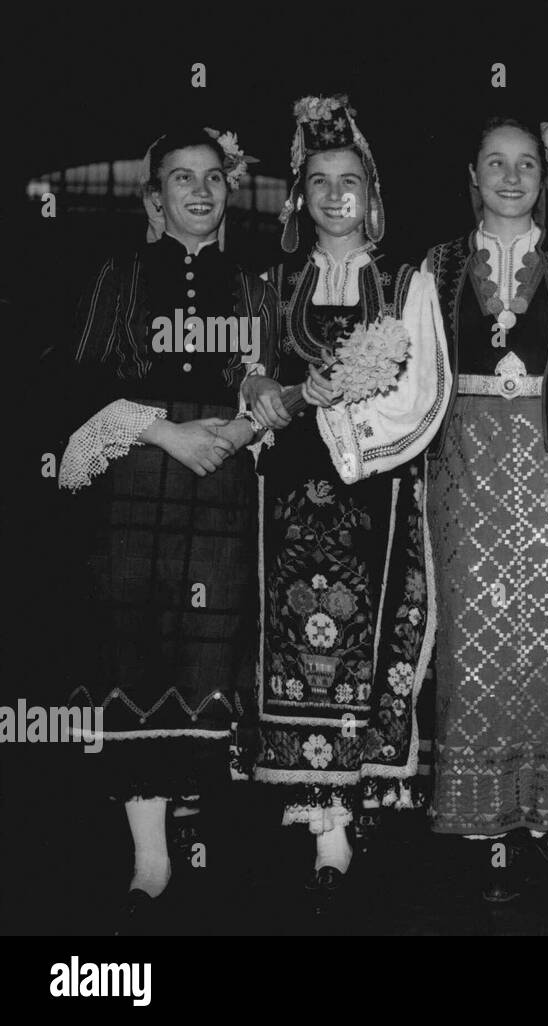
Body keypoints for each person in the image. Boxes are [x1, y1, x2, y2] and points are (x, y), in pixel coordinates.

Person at [58, 126, 276, 925]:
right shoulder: (120, 276)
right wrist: (167, 433)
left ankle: (204, 838)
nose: (198, 191)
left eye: (213, 178)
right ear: (154, 198)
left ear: (229, 191)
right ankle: (149, 857)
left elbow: (272, 386)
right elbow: (78, 379)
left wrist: (240, 430)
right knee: (135, 646)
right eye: (180, 179)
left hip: (218, 484)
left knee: (210, 645)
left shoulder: (253, 286)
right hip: (140, 477)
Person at [240, 95, 449, 906]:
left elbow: (426, 393)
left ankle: (356, 807)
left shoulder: (408, 281)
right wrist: (255, 382)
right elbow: (249, 378)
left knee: (365, 650)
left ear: (374, 195)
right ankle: (323, 822)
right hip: (288, 497)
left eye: (350, 181)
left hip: (375, 490)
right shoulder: (271, 281)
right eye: (319, 181)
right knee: (296, 648)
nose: (335, 196)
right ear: (299, 197)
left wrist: (350, 432)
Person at [423, 115, 548, 902]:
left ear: (544, 174)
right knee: (474, 632)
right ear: (473, 173)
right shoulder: (437, 263)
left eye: (527, 163)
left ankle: (541, 815)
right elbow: (421, 373)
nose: (513, 177)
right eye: (497, 162)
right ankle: (474, 820)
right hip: (466, 460)